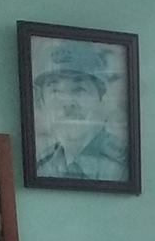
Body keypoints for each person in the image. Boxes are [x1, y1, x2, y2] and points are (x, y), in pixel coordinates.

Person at [32, 39, 129, 182]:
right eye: (55, 91)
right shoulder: (42, 166)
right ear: (42, 101)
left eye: (79, 90)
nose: (68, 103)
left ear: (100, 97)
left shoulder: (124, 163)